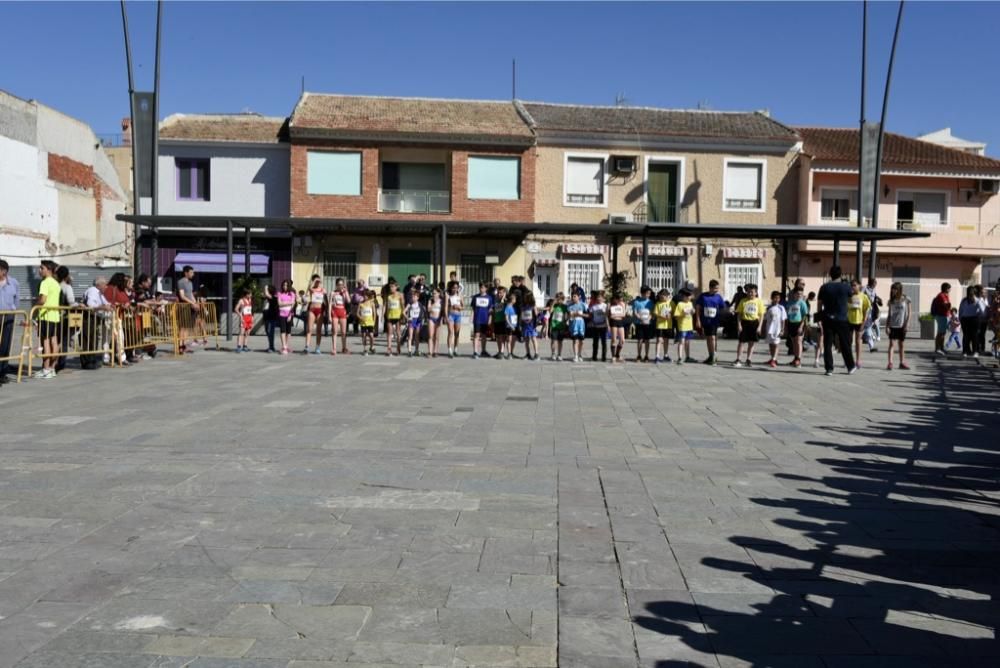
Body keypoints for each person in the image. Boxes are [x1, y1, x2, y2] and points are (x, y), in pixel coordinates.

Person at [817, 266, 857, 376]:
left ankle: (829, 368)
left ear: (830, 274)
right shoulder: (846, 287)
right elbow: (851, 300)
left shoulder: (824, 287)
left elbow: (819, 304)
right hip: (842, 319)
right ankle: (850, 366)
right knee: (845, 344)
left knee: (827, 344)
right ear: (841, 275)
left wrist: (819, 318)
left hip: (828, 318)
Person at [695, 279, 725, 365]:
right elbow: (697, 307)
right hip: (705, 320)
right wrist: (698, 320)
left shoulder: (718, 297)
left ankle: (714, 355)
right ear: (710, 288)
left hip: (714, 321)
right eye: (715, 288)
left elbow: (723, 307)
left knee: (713, 337)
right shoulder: (703, 296)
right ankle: (710, 355)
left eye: (718, 288)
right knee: (708, 338)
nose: (717, 290)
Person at [0, 259, 20, 385]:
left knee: (5, 345)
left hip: (8, 317)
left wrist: (13, 310)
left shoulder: (13, 283)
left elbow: (16, 300)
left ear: (4, 271)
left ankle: (2, 372)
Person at [734, 284, 764, 368]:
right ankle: (738, 359)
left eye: (752, 292)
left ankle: (749, 359)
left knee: (751, 342)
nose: (750, 293)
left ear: (756, 292)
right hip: (745, 322)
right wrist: (739, 325)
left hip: (754, 323)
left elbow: (761, 315)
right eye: (749, 292)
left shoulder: (759, 302)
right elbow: (739, 314)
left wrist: (760, 327)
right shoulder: (743, 301)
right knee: (741, 342)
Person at [53, 266, 75, 372]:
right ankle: (60, 363)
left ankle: (51, 362)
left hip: (53, 316)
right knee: (63, 341)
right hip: (64, 317)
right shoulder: (67, 287)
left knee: (53, 340)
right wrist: (79, 305)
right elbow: (71, 302)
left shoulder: (54, 285)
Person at [885, 282, 911, 370]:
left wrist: (907, 324)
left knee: (901, 344)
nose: (893, 291)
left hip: (902, 325)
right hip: (893, 325)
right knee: (892, 344)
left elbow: (909, 313)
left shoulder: (906, 299)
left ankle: (902, 362)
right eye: (892, 289)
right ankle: (890, 363)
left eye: (895, 289)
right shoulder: (891, 301)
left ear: (899, 289)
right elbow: (889, 314)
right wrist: (887, 326)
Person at [847, 280, 872, 368]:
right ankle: (849, 360)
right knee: (848, 341)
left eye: (854, 285)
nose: (853, 287)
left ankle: (858, 360)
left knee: (858, 340)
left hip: (859, 321)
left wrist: (863, 321)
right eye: (852, 285)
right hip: (849, 321)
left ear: (859, 286)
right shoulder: (848, 296)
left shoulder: (863, 296)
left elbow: (866, 310)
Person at [176, 265, 199, 354]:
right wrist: (192, 303)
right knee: (182, 327)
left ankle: (184, 345)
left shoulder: (190, 283)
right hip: (183, 307)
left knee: (187, 327)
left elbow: (191, 295)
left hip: (190, 307)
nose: (193, 274)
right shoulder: (181, 282)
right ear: (186, 273)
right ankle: (180, 346)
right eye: (191, 272)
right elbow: (182, 296)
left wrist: (195, 303)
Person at [784, 287, 808, 368]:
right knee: (794, 342)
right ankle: (795, 358)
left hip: (799, 324)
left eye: (801, 294)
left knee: (799, 341)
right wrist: (786, 326)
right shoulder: (790, 303)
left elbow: (805, 315)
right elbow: (787, 315)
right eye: (798, 294)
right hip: (791, 323)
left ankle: (799, 359)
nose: (799, 295)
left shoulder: (802, 303)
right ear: (794, 294)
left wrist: (801, 326)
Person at [763, 290, 787, 369]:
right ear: (772, 298)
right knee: (771, 344)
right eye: (775, 298)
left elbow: (783, 319)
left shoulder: (781, 308)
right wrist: (763, 329)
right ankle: (772, 358)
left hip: (777, 329)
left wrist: (783, 329)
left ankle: (774, 359)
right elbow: (765, 319)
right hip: (769, 329)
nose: (777, 299)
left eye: (778, 298)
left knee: (776, 344)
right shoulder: (769, 308)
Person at [672, 289, 696, 365]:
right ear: (684, 296)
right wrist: (682, 314)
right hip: (682, 326)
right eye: (688, 296)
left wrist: (693, 311)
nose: (690, 297)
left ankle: (687, 357)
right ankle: (680, 358)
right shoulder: (680, 304)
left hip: (689, 326)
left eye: (690, 296)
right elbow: (676, 316)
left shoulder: (690, 303)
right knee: (681, 342)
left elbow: (691, 313)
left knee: (687, 342)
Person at [958, 286, 983, 358]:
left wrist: (980, 317)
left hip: (974, 319)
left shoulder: (978, 300)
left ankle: (975, 351)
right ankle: (965, 351)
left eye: (972, 294)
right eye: (969, 293)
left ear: (974, 293)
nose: (970, 295)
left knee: (974, 336)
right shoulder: (964, 300)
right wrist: (960, 318)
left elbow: (982, 310)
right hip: (965, 319)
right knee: (966, 336)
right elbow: (961, 310)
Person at [631, 286, 654, 362]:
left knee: (647, 340)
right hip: (639, 323)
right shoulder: (636, 302)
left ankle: (646, 355)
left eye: (649, 294)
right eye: (647, 293)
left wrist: (648, 319)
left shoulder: (650, 302)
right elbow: (635, 312)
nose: (648, 295)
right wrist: (641, 319)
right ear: (642, 293)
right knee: (640, 340)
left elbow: (651, 313)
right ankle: (639, 355)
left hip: (648, 324)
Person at [470, 282, 493, 359]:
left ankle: (483, 351)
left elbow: (490, 309)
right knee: (476, 335)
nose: (481, 289)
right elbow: (473, 309)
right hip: (477, 319)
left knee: (484, 335)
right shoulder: (475, 297)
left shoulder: (489, 298)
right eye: (480, 287)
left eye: (483, 287)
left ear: (486, 288)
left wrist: (490, 319)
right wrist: (471, 317)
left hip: (485, 319)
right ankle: (475, 352)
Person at [303, 276, 326, 355]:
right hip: (312, 310)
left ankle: (317, 347)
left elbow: (326, 299)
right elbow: (309, 288)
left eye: (318, 281)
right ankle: (307, 347)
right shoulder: (312, 289)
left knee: (319, 330)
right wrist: (314, 281)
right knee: (309, 329)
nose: (317, 282)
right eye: (315, 281)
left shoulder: (323, 290)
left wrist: (320, 282)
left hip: (320, 310)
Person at [329, 278, 351, 355]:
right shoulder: (332, 293)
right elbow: (329, 305)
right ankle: (334, 348)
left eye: (342, 284)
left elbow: (348, 301)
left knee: (343, 332)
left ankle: (344, 348)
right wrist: (329, 316)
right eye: (339, 285)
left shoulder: (344, 292)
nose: (340, 286)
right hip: (335, 312)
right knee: (334, 331)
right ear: (336, 285)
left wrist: (345, 291)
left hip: (342, 312)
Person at [276, 280, 297, 355]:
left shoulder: (292, 294)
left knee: (288, 332)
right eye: (283, 285)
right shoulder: (279, 294)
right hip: (281, 314)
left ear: (289, 286)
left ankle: (287, 346)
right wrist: (289, 302)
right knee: (283, 331)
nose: (285, 287)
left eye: (286, 285)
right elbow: (279, 304)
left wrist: (290, 315)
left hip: (289, 315)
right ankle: (284, 346)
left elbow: (293, 306)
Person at [930, 282, 952, 355]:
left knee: (943, 333)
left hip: (944, 315)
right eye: (949, 288)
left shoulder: (945, 295)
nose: (950, 290)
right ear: (946, 288)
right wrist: (949, 306)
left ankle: (941, 348)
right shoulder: (941, 296)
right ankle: (937, 348)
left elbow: (948, 306)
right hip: (941, 316)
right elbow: (946, 306)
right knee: (940, 333)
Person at [566, 291, 588, 363]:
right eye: (572, 296)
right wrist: (571, 315)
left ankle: (580, 354)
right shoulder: (569, 306)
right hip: (573, 325)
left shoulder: (583, 305)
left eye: (575, 296)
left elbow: (588, 315)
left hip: (581, 325)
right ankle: (575, 355)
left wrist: (580, 315)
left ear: (579, 297)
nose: (573, 298)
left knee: (581, 341)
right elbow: (568, 316)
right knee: (575, 340)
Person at [383, 281, 404, 356]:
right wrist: (383, 315)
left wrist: (403, 314)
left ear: (396, 287)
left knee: (398, 333)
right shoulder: (388, 296)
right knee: (389, 333)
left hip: (397, 316)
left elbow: (402, 305)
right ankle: (389, 349)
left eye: (392, 287)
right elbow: (385, 305)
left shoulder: (400, 295)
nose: (391, 288)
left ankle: (398, 347)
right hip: (390, 316)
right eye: (390, 287)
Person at [404, 290, 426, 358]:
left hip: (418, 321)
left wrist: (422, 319)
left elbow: (423, 312)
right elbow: (403, 312)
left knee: (417, 336)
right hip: (412, 321)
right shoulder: (410, 304)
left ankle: (416, 350)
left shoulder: (419, 304)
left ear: (418, 297)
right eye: (412, 296)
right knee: (410, 336)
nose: (413, 298)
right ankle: (409, 351)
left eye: (415, 296)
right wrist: (408, 318)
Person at [588, 291, 609, 362]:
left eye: (600, 297)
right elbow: (591, 316)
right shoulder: (593, 307)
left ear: (603, 298)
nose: (599, 299)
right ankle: (594, 356)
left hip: (603, 326)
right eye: (598, 297)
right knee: (595, 342)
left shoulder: (605, 306)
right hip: (595, 326)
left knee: (604, 342)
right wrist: (592, 322)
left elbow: (607, 316)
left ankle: (604, 357)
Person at [863, 278, 881, 352]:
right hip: (864, 309)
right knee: (867, 327)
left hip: (871, 310)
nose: (875, 285)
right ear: (871, 283)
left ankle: (871, 345)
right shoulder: (865, 289)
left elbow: (874, 297)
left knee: (868, 327)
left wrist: (878, 300)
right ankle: (871, 345)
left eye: (875, 284)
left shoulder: (874, 290)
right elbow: (861, 296)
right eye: (874, 284)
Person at [519, 292, 539, 361]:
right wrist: (520, 324)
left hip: (532, 325)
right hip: (525, 325)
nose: (525, 298)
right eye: (525, 297)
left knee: (533, 339)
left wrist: (536, 323)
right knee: (526, 340)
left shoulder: (533, 305)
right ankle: (528, 354)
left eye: (527, 297)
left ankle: (536, 354)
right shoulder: (523, 305)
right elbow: (521, 315)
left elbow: (536, 315)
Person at [357, 289, 378, 355]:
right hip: (363, 323)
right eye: (364, 295)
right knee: (364, 335)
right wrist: (361, 317)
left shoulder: (372, 303)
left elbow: (374, 314)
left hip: (370, 322)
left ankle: (372, 347)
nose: (365, 297)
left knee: (371, 335)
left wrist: (374, 322)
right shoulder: (361, 304)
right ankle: (365, 349)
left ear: (368, 296)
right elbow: (357, 313)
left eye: (366, 296)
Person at [549, 293, 568, 361]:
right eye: (557, 299)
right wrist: (553, 303)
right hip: (554, 326)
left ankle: (559, 354)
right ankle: (553, 353)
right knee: (553, 340)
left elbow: (566, 316)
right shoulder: (555, 306)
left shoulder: (565, 307)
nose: (559, 300)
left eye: (560, 299)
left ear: (563, 299)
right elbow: (550, 311)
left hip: (561, 326)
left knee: (560, 341)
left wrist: (565, 321)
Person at [491, 286, 509, 359]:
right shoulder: (496, 301)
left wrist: (503, 298)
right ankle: (499, 352)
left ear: (504, 293)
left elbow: (503, 307)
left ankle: (502, 352)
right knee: (498, 337)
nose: (499, 294)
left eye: (501, 293)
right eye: (498, 293)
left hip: (503, 321)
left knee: (502, 337)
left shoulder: (506, 301)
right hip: (496, 321)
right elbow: (495, 311)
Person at [446, 282, 463, 359]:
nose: (455, 289)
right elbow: (445, 307)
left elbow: (463, 306)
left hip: (458, 315)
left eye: (456, 287)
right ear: (451, 288)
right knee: (450, 332)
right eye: (453, 288)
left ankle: (455, 350)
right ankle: (450, 350)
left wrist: (459, 307)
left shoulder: (460, 296)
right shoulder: (448, 296)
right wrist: (446, 317)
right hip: (451, 315)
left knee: (457, 333)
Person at [608, 294, 627, 363]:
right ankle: (613, 356)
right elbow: (609, 316)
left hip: (620, 322)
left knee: (622, 340)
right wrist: (608, 325)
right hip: (613, 322)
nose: (619, 301)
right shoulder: (610, 305)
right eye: (618, 299)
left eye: (620, 299)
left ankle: (617, 355)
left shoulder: (622, 304)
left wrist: (615, 315)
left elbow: (624, 314)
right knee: (614, 339)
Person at [234, 288, 253, 353]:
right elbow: (236, 309)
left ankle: (245, 346)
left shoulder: (250, 300)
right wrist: (241, 317)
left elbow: (250, 310)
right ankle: (239, 347)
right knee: (241, 333)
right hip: (244, 318)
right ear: (246, 294)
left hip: (249, 318)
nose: (251, 295)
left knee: (247, 333)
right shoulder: (241, 300)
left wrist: (252, 317)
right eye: (250, 294)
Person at [262, 284, 279, 353]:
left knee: (270, 332)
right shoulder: (266, 298)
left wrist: (265, 287)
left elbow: (266, 294)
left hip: (272, 317)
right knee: (267, 331)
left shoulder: (274, 297)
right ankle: (271, 346)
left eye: (267, 290)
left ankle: (271, 347)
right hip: (266, 317)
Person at [426, 288, 443, 358]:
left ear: (439, 293)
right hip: (431, 319)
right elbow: (428, 309)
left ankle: (435, 351)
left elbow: (442, 311)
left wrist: (442, 319)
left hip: (438, 319)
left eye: (435, 293)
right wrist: (434, 303)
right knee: (430, 336)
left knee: (437, 336)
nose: (434, 294)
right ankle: (430, 351)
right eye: (433, 293)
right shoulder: (430, 300)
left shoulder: (441, 301)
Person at [502, 293, 518, 360]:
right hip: (509, 327)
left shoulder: (513, 307)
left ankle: (511, 353)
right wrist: (511, 326)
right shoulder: (508, 307)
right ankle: (509, 354)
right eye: (515, 299)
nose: (516, 300)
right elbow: (506, 318)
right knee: (509, 340)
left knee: (512, 340)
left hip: (514, 326)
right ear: (512, 300)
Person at [975, 284, 989, 355]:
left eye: (985, 292)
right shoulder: (977, 299)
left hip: (984, 320)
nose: (985, 293)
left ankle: (982, 349)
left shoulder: (985, 299)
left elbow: (986, 309)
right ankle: (977, 349)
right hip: (978, 320)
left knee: (983, 335)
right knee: (977, 334)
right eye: (983, 292)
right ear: (980, 292)